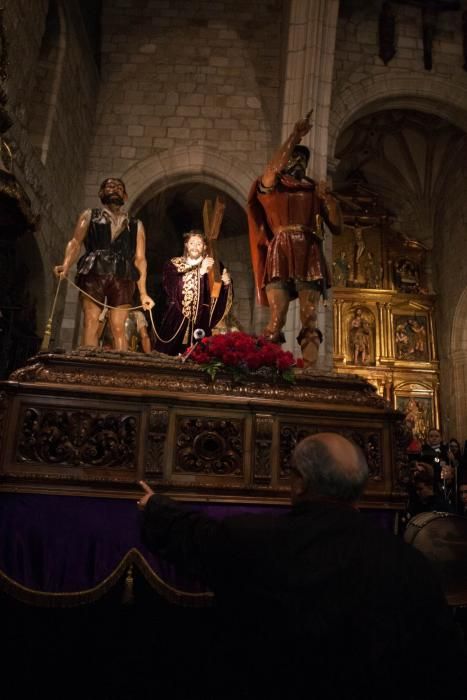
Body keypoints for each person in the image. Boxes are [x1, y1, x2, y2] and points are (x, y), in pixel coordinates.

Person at [138, 433, 465, 700]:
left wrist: (154, 506)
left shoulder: (255, 540)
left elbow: (194, 535)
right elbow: (441, 663)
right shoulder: (408, 563)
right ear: (362, 485)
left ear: (299, 483)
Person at [247, 114, 343, 367]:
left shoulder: (314, 192)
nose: (299, 162)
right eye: (294, 157)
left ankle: (309, 372)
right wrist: (295, 136)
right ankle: (268, 368)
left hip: (309, 251)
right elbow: (271, 170)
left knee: (309, 316)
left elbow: (337, 227)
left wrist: (329, 200)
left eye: (304, 159)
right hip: (281, 250)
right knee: (276, 316)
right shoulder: (270, 188)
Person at [54, 178, 154, 351]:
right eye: (110, 186)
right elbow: (76, 242)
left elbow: (140, 258)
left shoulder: (135, 225)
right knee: (91, 322)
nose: (114, 189)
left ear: (125, 195)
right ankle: (88, 365)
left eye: (119, 187)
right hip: (94, 270)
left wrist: (144, 293)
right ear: (101, 193)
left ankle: (119, 369)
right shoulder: (89, 215)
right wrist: (66, 264)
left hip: (123, 275)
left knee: (118, 327)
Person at [153, 230, 232, 356]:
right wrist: (199, 272)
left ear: (205, 247)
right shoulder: (173, 264)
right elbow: (172, 286)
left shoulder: (215, 265)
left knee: (200, 356)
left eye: (199, 244)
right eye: (192, 243)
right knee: (169, 354)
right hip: (177, 315)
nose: (195, 247)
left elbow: (218, 292)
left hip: (203, 318)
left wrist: (226, 284)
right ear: (186, 245)